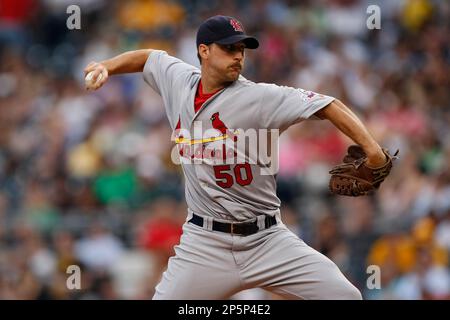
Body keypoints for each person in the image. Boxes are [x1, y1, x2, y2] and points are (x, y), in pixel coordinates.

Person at [84, 15, 388, 300]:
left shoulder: (259, 97)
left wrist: (372, 149)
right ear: (203, 50)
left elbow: (328, 105)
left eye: (241, 49)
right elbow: (148, 57)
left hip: (267, 239)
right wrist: (107, 67)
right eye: (229, 48)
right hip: (204, 244)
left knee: (346, 296)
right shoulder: (178, 81)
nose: (238, 56)